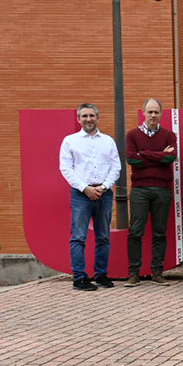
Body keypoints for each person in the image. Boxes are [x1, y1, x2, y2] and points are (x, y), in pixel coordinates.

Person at [59, 103, 120, 291]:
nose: (88, 119)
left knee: (103, 236)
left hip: (104, 193)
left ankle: (101, 274)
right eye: (84, 116)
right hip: (80, 195)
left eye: (92, 115)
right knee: (78, 236)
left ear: (97, 117)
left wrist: (103, 186)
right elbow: (66, 169)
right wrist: (85, 188)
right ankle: (79, 277)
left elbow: (115, 167)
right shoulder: (70, 141)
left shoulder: (108, 141)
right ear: (78, 119)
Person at [124, 97, 177, 287]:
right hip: (140, 190)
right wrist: (158, 155)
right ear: (143, 113)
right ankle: (133, 273)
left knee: (160, 232)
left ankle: (157, 272)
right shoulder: (132, 135)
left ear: (161, 114)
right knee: (136, 231)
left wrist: (144, 153)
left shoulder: (170, 136)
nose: (153, 115)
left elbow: (170, 158)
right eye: (150, 112)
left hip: (163, 189)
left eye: (156, 112)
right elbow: (132, 160)